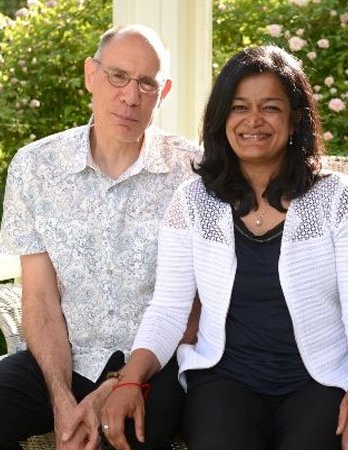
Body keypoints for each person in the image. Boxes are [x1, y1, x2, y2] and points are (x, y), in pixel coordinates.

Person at [98, 45, 348, 450]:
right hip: (225, 380)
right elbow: (167, 310)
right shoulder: (193, 201)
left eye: (270, 108)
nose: (253, 121)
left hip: (319, 380)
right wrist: (129, 380)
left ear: (295, 118)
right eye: (238, 107)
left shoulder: (334, 198)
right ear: (221, 118)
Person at [0, 24, 200, 450]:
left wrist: (113, 388)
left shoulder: (194, 172)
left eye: (147, 83)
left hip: (154, 364)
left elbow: (199, 304)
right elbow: (39, 298)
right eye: (118, 76)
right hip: (62, 360)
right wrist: (61, 399)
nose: (131, 96)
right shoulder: (36, 167)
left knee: (123, 437)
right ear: (91, 75)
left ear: (163, 93)